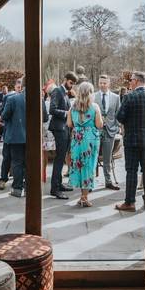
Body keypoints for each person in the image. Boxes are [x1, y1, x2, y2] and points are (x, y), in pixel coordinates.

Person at [115, 71, 145, 212]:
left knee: (131, 171)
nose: (130, 82)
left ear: (136, 81)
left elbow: (120, 117)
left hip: (132, 140)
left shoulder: (129, 97)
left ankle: (130, 203)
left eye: (131, 80)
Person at [67, 81, 102, 207]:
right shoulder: (95, 107)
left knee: (78, 164)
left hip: (77, 139)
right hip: (90, 139)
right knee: (88, 165)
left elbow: (69, 124)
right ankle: (84, 197)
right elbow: (99, 125)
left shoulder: (72, 106)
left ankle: (82, 196)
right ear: (90, 93)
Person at [48, 72, 78, 200]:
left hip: (64, 128)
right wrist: (67, 113)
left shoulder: (64, 92)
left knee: (61, 158)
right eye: (71, 83)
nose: (71, 86)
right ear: (65, 79)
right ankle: (54, 189)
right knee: (59, 159)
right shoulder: (57, 91)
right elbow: (52, 109)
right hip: (59, 128)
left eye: (73, 84)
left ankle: (58, 184)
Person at [93, 75, 121, 190]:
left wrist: (117, 126)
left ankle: (108, 181)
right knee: (93, 157)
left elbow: (118, 113)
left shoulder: (116, 97)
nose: (102, 85)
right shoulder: (93, 96)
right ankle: (90, 183)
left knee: (107, 157)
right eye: (100, 83)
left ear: (109, 84)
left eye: (104, 83)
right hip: (96, 130)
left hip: (110, 130)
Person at [0, 77, 24, 190]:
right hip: (9, 132)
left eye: (20, 87)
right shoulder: (8, 97)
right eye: (17, 87)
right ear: (15, 87)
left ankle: (17, 181)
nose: (18, 89)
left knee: (18, 160)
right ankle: (3, 179)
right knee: (6, 157)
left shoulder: (20, 98)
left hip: (18, 132)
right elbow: (3, 114)